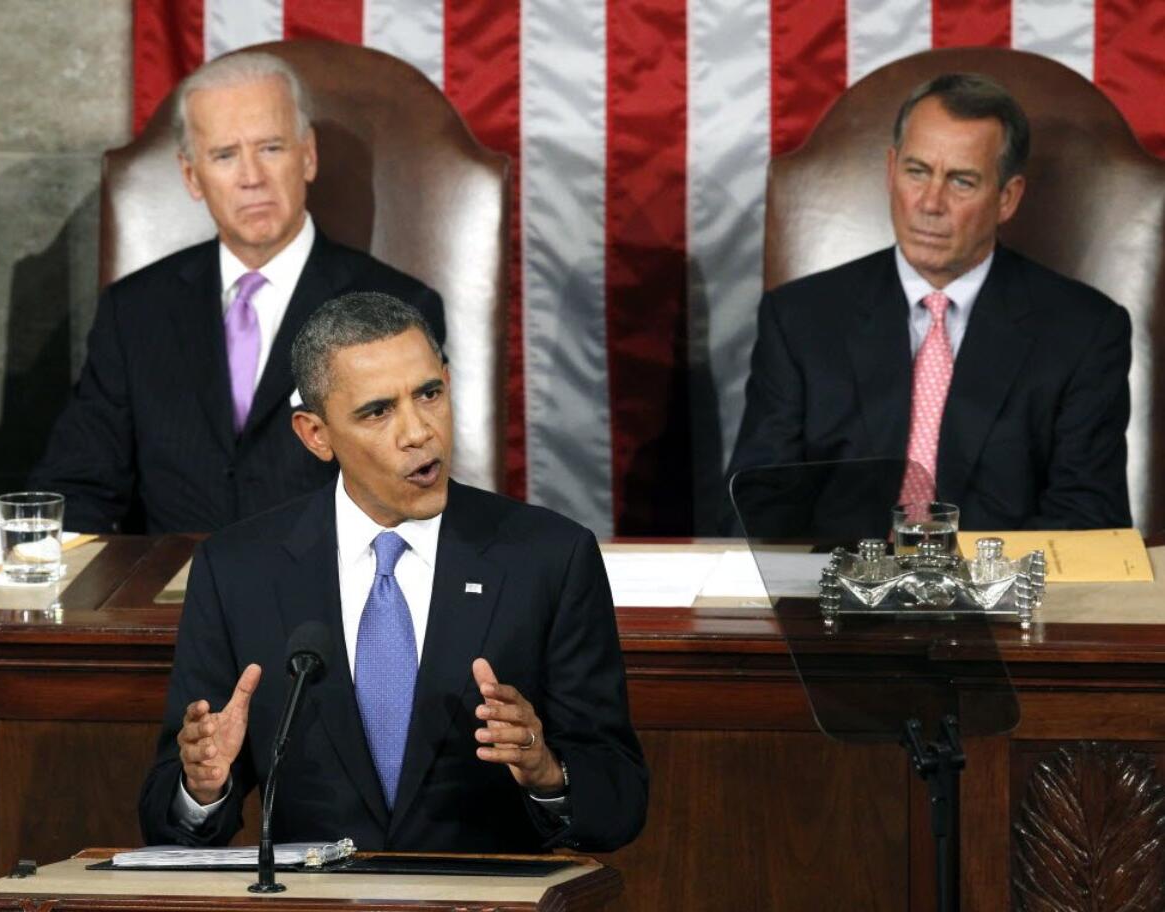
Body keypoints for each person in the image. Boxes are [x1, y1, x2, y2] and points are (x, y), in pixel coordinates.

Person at [138, 292, 648, 853]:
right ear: (316, 434)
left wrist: (547, 771)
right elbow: (168, 820)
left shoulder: (549, 558)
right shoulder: (239, 570)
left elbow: (619, 803)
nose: (418, 431)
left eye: (429, 394)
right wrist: (202, 786)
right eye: (378, 411)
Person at [30, 52, 444, 534]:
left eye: (270, 148)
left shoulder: (398, 308)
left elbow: (410, 486)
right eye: (225, 155)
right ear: (191, 176)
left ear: (307, 156)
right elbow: (81, 485)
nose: (251, 177)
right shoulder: (135, 310)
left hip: (324, 594)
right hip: (171, 598)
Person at [725, 72, 1132, 533]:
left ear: (1007, 198)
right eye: (916, 172)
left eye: (961, 181)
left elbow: (1088, 521)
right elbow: (755, 503)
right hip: (837, 594)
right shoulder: (799, 319)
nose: (930, 202)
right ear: (891, 169)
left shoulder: (1085, 331)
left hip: (1002, 597)